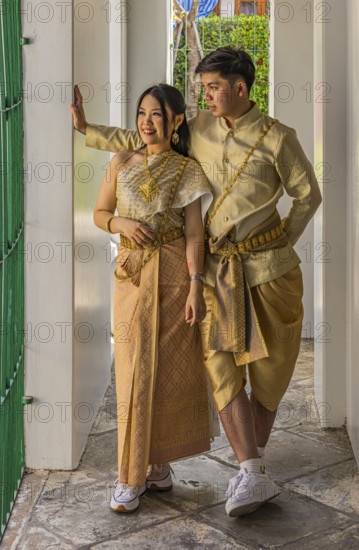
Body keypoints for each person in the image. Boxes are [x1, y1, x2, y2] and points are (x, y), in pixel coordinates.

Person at [71, 47, 322, 517]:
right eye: (202, 87)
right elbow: (145, 134)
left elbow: (308, 195)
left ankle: (253, 468)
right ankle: (247, 470)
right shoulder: (199, 129)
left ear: (240, 88)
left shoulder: (278, 138)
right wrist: (87, 129)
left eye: (213, 87)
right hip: (217, 271)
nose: (205, 95)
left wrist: (279, 240)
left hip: (270, 273)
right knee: (220, 366)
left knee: (268, 375)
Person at [92, 84, 213, 513]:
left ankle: (157, 466)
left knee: (162, 372)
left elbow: (195, 233)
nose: (146, 122)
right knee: (130, 371)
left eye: (156, 114)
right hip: (131, 277)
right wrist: (121, 223)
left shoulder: (187, 170)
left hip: (175, 277)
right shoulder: (121, 162)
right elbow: (100, 214)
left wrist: (196, 284)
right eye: (142, 113)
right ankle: (130, 475)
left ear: (176, 121)